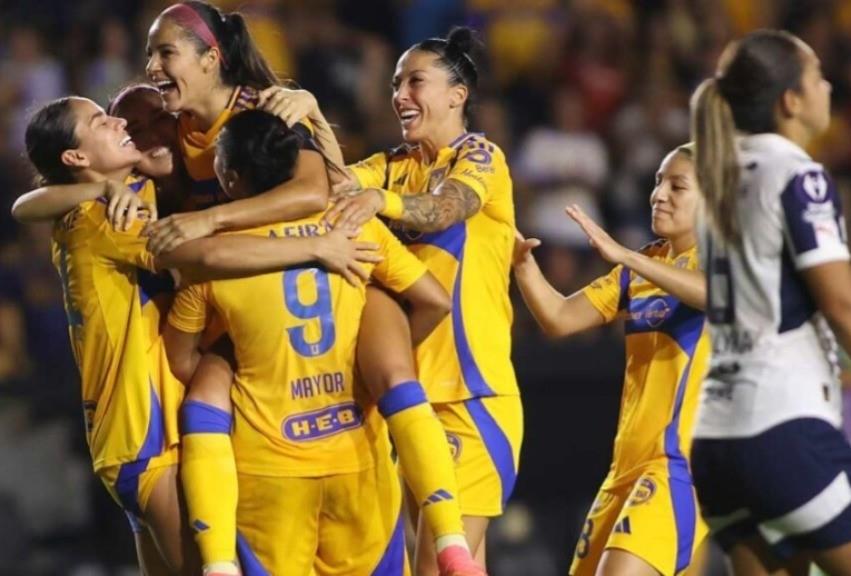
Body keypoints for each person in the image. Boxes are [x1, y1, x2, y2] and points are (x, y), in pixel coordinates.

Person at [144, 4, 478, 573]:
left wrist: (208, 226)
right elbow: (428, 295)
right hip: (346, 359)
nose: (150, 66)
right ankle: (451, 543)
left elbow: (307, 195)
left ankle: (220, 560)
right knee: (390, 353)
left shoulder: (265, 111)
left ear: (210, 58)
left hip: (263, 421)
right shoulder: (353, 225)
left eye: (163, 52)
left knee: (204, 391)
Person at [21, 96, 378, 575]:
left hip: (132, 439)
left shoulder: (124, 194)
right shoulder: (106, 218)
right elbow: (205, 256)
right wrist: (315, 246)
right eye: (100, 120)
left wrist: (310, 110)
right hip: (147, 438)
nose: (121, 122)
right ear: (76, 158)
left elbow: (28, 204)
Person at [299, 26, 521, 574]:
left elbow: (446, 208)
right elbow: (327, 189)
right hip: (413, 400)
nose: (399, 94)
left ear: (457, 94)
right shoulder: (394, 163)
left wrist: (382, 200)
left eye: (414, 81)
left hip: (469, 396)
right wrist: (309, 116)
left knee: (431, 566)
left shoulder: (480, 157)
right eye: (396, 83)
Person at [689, 30, 851, 575]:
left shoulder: (718, 178)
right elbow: (841, 304)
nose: (828, 86)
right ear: (791, 100)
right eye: (817, 76)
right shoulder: (798, 175)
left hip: (717, 438)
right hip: (783, 430)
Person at [512, 145, 709, 576]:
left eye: (677, 186)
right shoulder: (641, 270)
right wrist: (522, 265)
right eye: (658, 181)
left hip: (678, 466)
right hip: (624, 469)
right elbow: (561, 318)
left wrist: (626, 255)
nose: (659, 194)